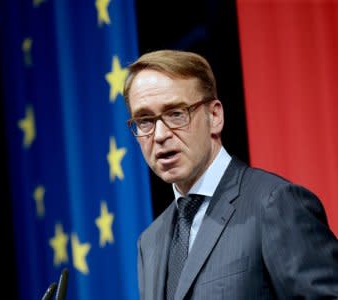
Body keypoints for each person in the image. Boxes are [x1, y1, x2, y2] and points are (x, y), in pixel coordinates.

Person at [122, 49, 338, 300]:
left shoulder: (274, 204)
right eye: (145, 120)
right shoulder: (150, 241)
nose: (159, 135)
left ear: (214, 116)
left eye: (176, 114)